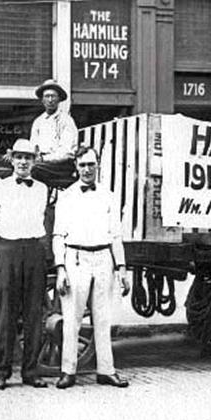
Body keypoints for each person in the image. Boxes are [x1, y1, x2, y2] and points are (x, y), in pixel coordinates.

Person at [53, 146, 130, 388]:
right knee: (72, 318)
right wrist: (60, 268)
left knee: (103, 317)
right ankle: (68, 371)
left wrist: (122, 268)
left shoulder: (108, 195)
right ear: (76, 167)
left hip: (103, 258)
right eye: (83, 165)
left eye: (91, 164)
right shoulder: (66, 197)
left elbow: (116, 235)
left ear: (98, 166)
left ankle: (106, 370)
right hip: (76, 258)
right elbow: (58, 235)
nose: (87, 169)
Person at [0, 138, 50, 390]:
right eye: (19, 157)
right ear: (11, 159)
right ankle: (1, 372)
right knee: (4, 315)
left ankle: (31, 372)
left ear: (34, 161)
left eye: (28, 157)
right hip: (6, 250)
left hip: (33, 250)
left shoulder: (42, 189)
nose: (23, 162)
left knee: (34, 314)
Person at [29, 79, 79, 188]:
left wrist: (43, 159)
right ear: (42, 100)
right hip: (42, 164)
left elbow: (67, 152)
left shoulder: (66, 120)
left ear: (59, 99)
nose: (50, 100)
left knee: (34, 169)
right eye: (47, 96)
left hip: (62, 165)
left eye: (53, 96)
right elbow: (33, 146)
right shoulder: (38, 121)